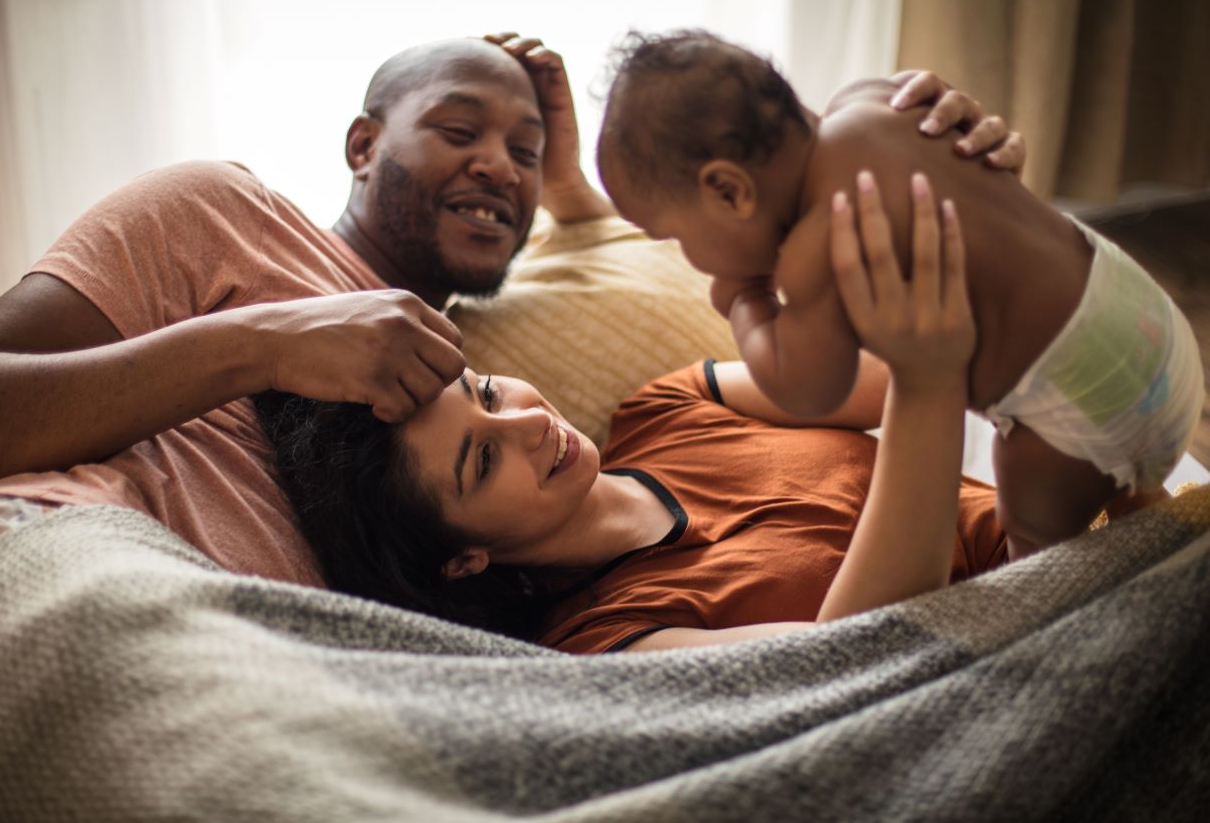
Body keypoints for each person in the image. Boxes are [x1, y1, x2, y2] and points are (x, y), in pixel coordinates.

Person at [0, 32, 1022, 615]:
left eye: (525, 154)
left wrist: (946, 194)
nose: (498, 165)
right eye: (457, 129)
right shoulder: (213, 213)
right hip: (69, 579)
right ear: (362, 145)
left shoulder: (473, 383)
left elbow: (669, 280)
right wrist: (258, 343)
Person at [257, 173, 1000, 653]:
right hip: (1033, 617)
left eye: (485, 393)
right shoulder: (608, 639)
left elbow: (920, 366)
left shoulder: (671, 404)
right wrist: (929, 375)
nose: (523, 423)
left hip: (1073, 511)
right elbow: (864, 652)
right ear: (464, 559)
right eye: (482, 459)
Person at [594, 29, 1204, 559]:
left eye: (673, 237)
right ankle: (1152, 521)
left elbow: (808, 387)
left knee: (1033, 524)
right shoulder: (878, 99)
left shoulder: (823, 244)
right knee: (1125, 487)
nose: (687, 259)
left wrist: (746, 304)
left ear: (730, 192)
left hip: (1087, 387)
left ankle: (1074, 595)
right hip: (1149, 317)